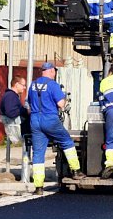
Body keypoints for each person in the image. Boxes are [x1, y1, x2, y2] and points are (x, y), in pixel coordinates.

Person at [28, 62, 85, 195]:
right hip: (50, 119)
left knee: (38, 153)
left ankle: (38, 187)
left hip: (35, 120)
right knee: (67, 142)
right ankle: (76, 171)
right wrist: (65, 100)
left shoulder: (33, 85)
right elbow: (61, 104)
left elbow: (29, 105)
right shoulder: (53, 85)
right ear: (52, 71)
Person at [0, 75, 28, 144]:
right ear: (17, 84)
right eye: (23, 85)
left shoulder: (12, 96)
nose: (24, 87)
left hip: (16, 125)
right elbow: (11, 112)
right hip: (15, 126)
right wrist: (25, 111)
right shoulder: (10, 96)